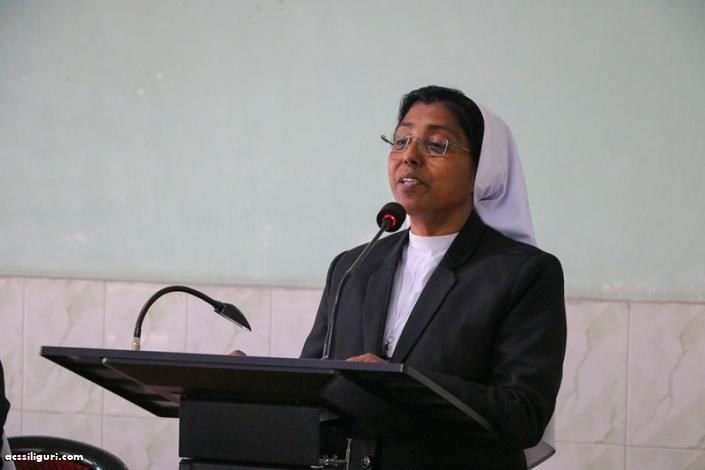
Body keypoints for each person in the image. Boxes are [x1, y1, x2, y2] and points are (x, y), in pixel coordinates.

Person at [301, 86, 567, 469]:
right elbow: (313, 388)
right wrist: (250, 387)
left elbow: (523, 414)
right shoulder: (352, 267)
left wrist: (399, 384)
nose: (409, 156)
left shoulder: (523, 273)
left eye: (436, 144)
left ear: (482, 168)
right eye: (401, 140)